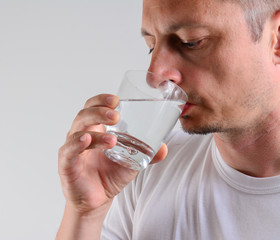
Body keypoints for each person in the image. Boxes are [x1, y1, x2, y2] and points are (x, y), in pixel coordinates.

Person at [56, 0, 280, 239]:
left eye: (190, 42)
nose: (156, 76)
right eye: (151, 46)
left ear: (276, 39)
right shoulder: (152, 169)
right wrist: (85, 214)